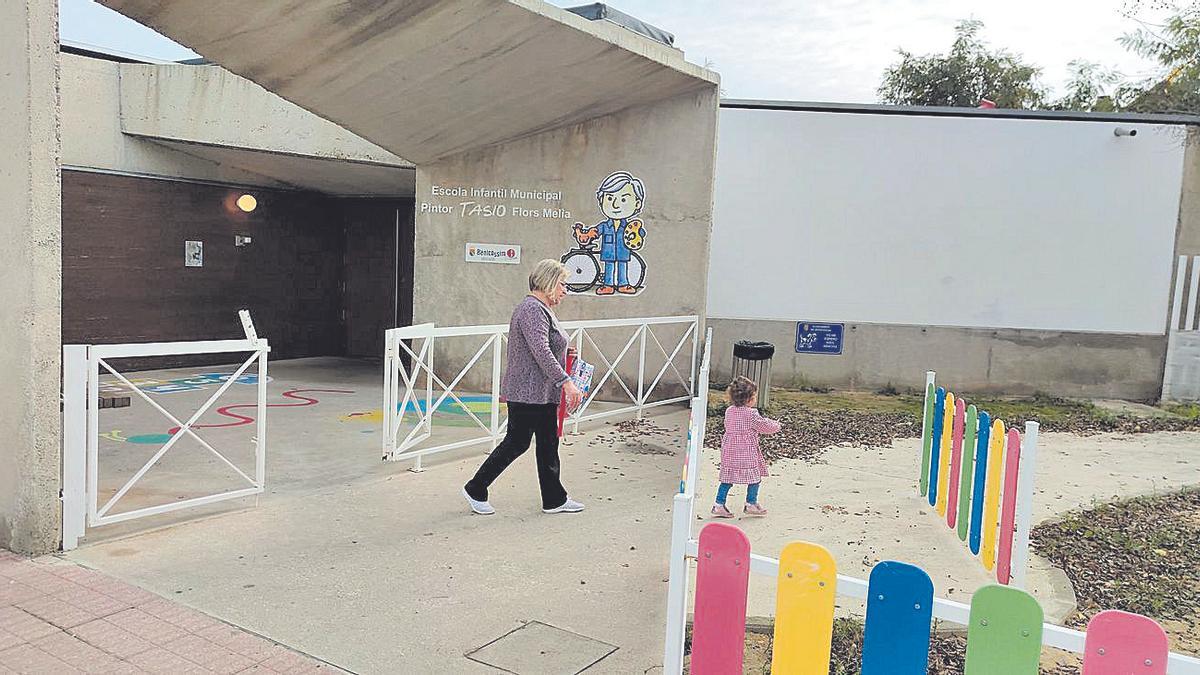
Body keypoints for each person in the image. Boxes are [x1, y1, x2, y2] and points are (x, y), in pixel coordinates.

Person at [462, 259, 587, 515]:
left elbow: (544, 346)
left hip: (540, 392)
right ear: (549, 282)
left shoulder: (541, 309)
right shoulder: (532, 309)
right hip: (528, 392)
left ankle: (554, 499)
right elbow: (540, 349)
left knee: (548, 443)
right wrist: (566, 382)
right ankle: (476, 488)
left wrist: (565, 353)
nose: (565, 291)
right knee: (517, 442)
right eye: (563, 284)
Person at [712, 376, 781, 518]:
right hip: (746, 452)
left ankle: (719, 504)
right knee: (755, 478)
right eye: (754, 396)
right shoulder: (751, 414)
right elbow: (764, 426)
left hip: (729, 451)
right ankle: (751, 503)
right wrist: (776, 425)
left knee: (727, 479)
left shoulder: (729, 411)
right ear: (749, 399)